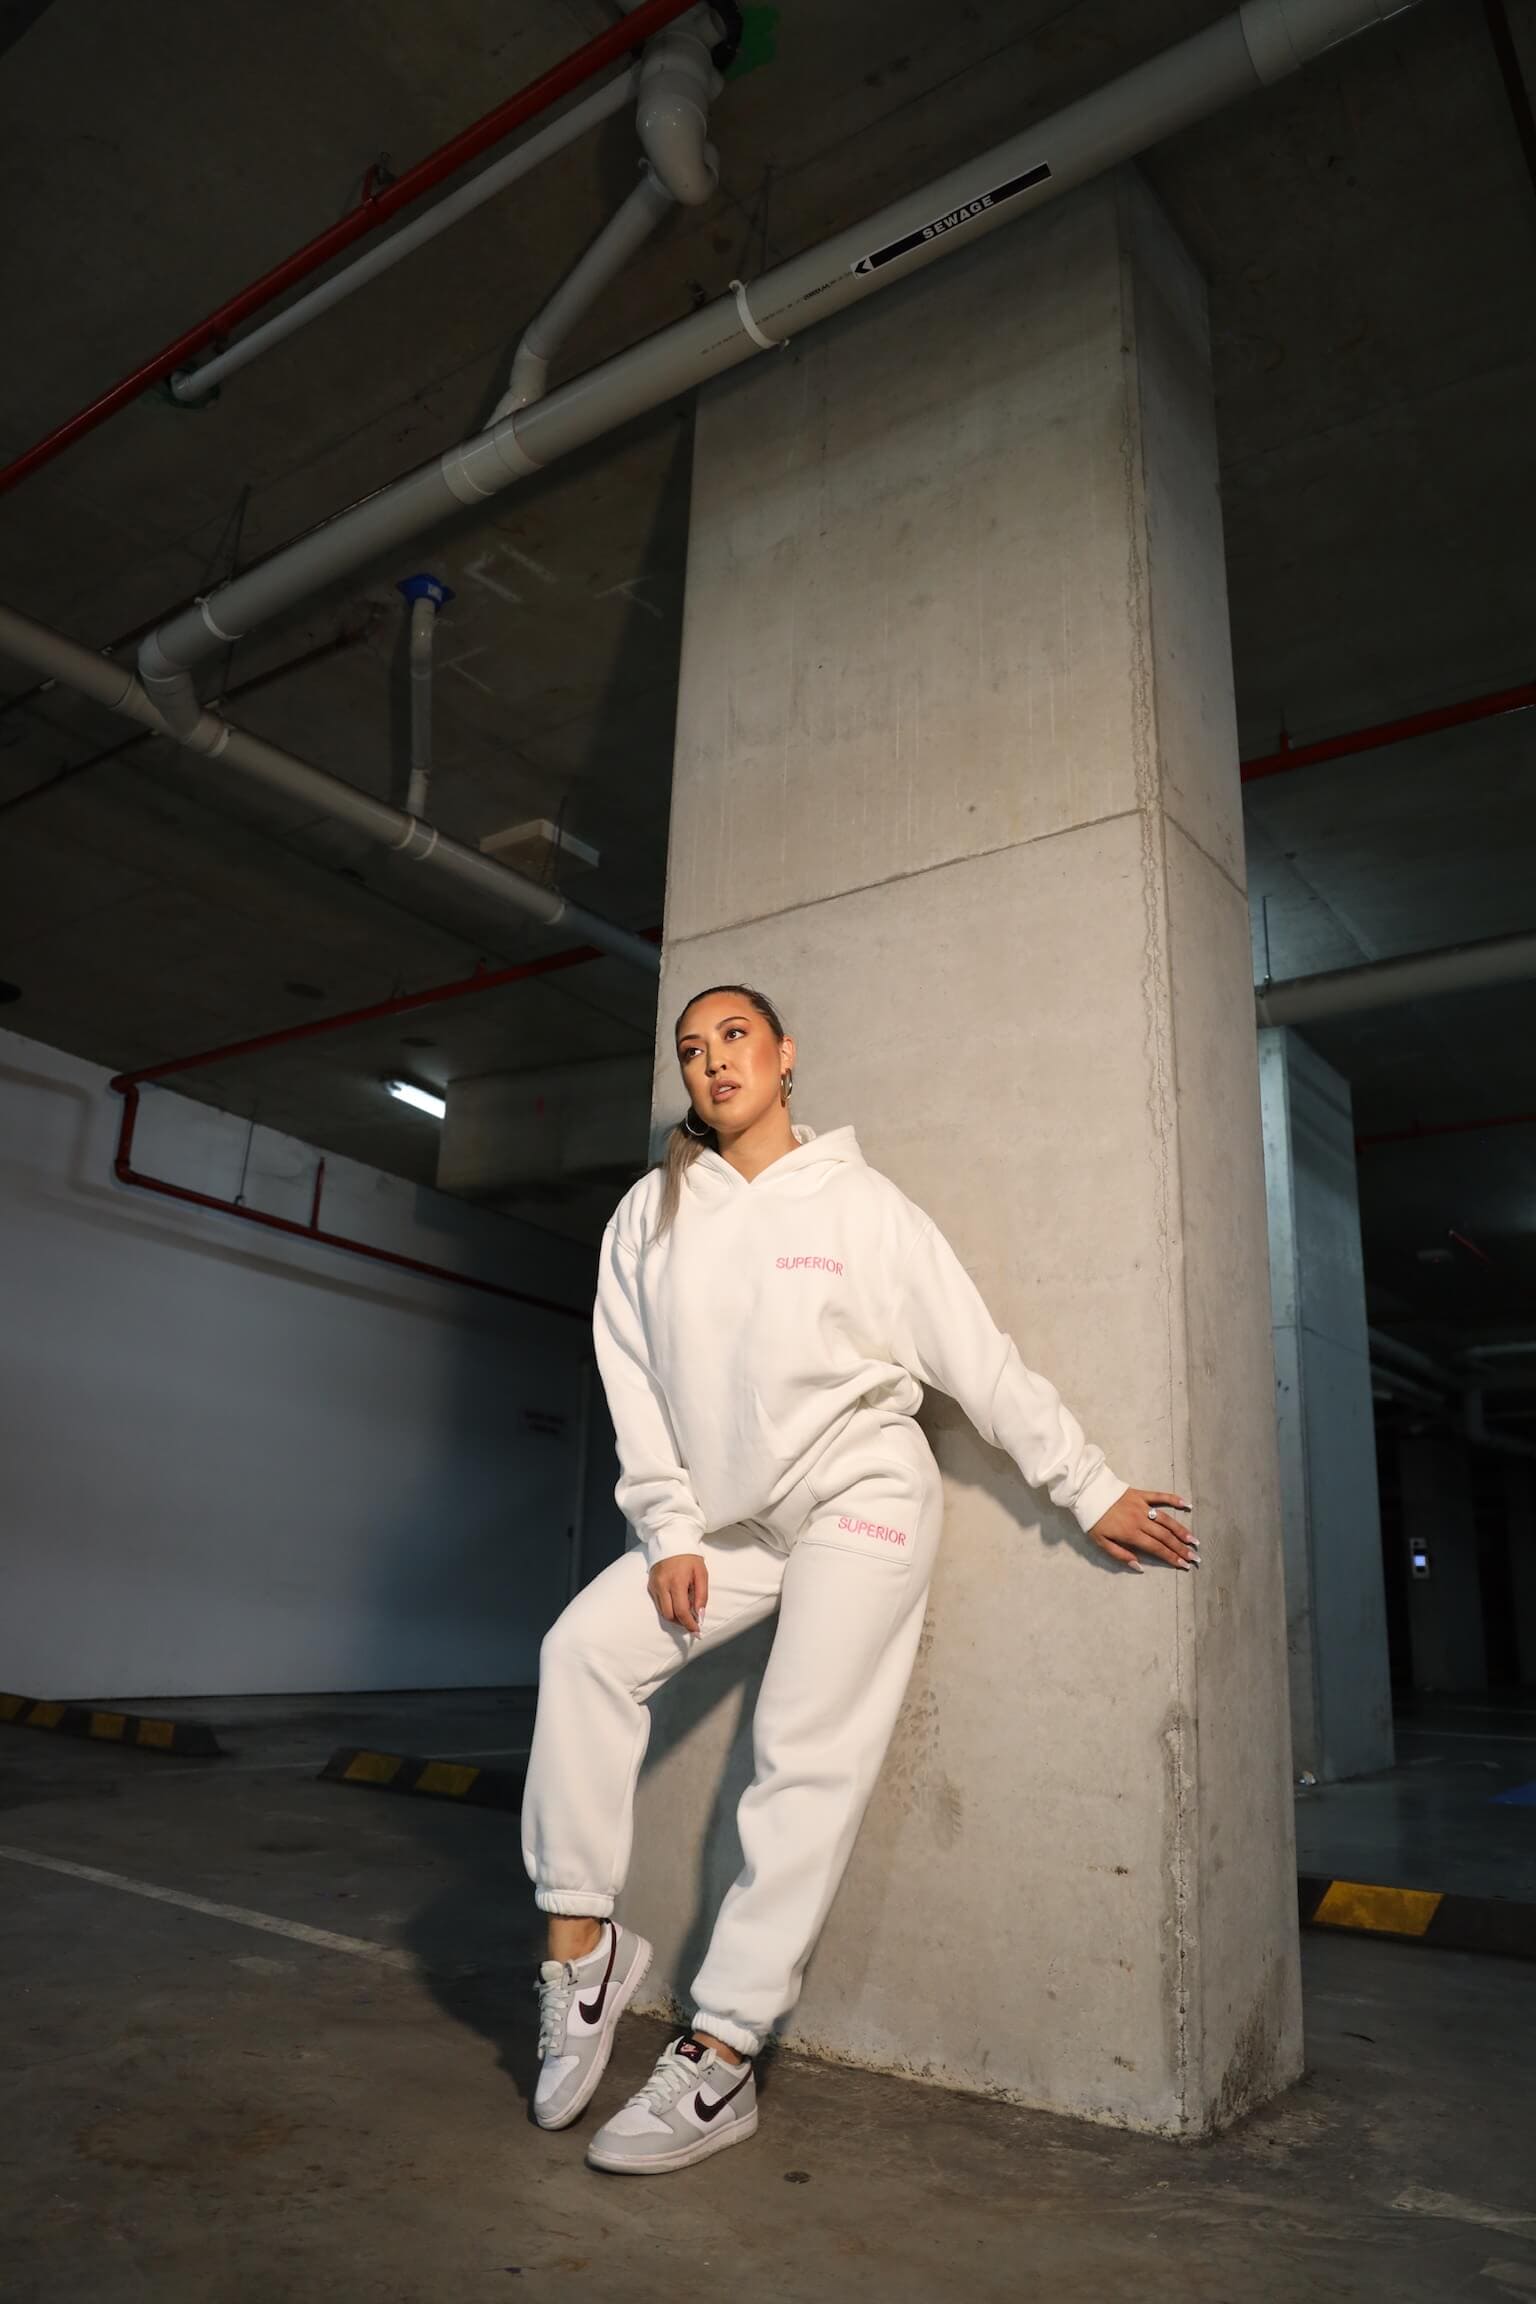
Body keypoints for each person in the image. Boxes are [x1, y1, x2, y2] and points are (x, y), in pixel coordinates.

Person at [521, 983, 1196, 2176]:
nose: (713, 1062)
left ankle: (722, 2056)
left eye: (735, 1039)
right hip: (724, 1526)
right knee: (581, 1651)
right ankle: (583, 1959)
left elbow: (974, 1358)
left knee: (802, 1751)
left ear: (785, 1057)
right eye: (692, 1050)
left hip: (860, 1499)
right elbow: (632, 1387)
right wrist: (669, 1529)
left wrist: (1089, 1487)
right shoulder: (649, 1215)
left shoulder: (862, 1205)